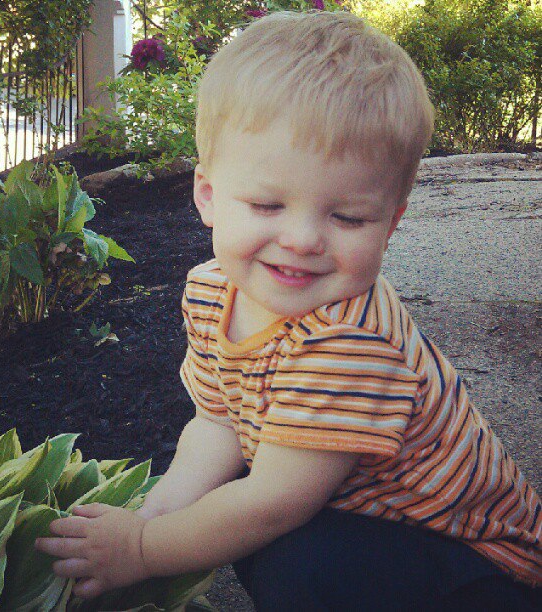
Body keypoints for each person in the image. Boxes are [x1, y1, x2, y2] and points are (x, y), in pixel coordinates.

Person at [36, 10, 541, 610]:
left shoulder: (349, 344)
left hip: (478, 567)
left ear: (391, 223)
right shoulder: (212, 290)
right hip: (364, 519)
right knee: (232, 526)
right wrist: (155, 515)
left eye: (347, 217)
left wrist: (143, 550)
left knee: (292, 557)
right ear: (208, 196)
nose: (302, 240)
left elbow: (275, 503)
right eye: (267, 205)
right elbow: (218, 423)